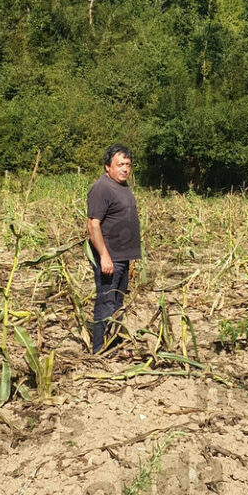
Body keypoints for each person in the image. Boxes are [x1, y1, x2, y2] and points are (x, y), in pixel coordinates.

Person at [87, 144, 141, 354]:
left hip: (122, 257)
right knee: (106, 303)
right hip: (110, 258)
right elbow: (93, 224)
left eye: (128, 165)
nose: (125, 169)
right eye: (120, 165)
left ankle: (114, 346)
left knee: (117, 303)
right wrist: (104, 256)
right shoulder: (102, 188)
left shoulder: (121, 186)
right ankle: (100, 351)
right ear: (107, 166)